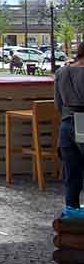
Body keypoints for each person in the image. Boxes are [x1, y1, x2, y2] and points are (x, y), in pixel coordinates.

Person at [56, 42, 84, 208]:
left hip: (67, 123)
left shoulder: (62, 71)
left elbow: (58, 103)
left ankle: (71, 217)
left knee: (71, 173)